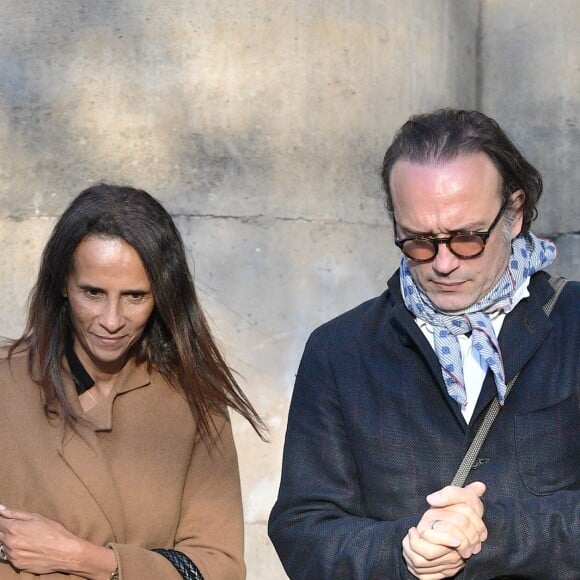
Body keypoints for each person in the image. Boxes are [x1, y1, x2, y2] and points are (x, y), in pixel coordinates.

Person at [268, 109, 579, 578]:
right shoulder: (339, 351)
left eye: (467, 238)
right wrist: (404, 553)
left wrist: (490, 533)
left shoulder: (572, 325)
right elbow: (303, 530)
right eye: (417, 242)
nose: (444, 263)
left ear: (514, 214)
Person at [0, 184, 265, 580]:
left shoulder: (194, 401)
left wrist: (84, 558)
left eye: (135, 296)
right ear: (62, 285)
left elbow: (219, 567)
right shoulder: (9, 382)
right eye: (92, 292)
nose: (111, 320)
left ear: (162, 295)